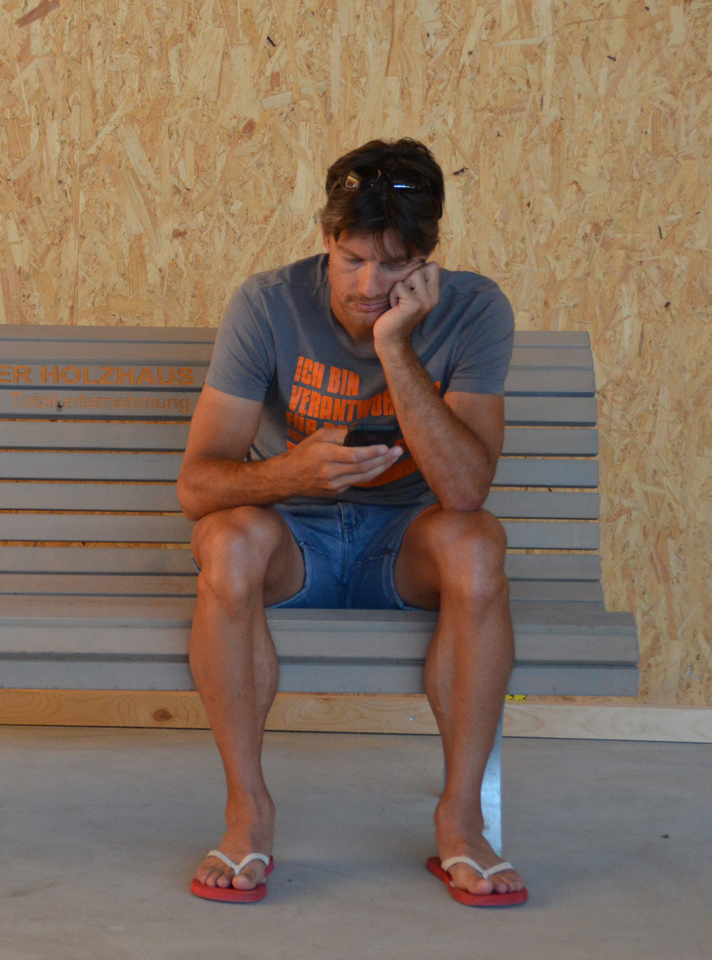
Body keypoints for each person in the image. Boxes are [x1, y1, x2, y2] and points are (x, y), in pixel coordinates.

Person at [178, 138, 527, 907]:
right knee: (226, 540)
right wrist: (291, 474)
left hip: (404, 545)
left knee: (478, 546)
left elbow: (466, 490)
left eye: (394, 265)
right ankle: (247, 812)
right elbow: (198, 485)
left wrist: (394, 347)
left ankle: (461, 821)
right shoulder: (268, 304)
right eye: (351, 260)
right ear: (326, 238)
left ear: (428, 258)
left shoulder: (475, 310)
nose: (369, 285)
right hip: (292, 543)